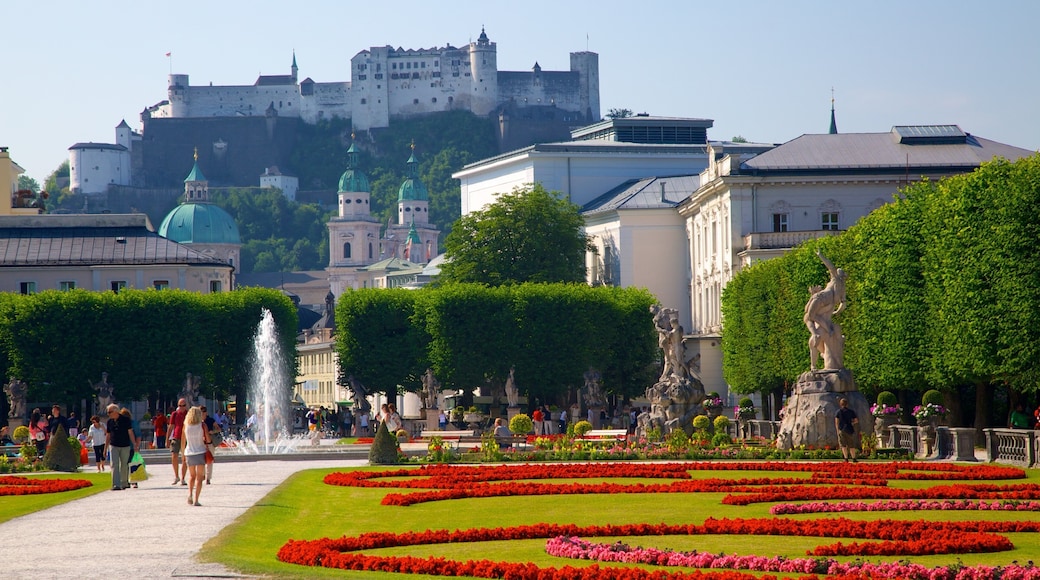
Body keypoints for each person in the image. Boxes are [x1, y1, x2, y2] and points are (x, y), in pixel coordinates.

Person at [804, 250, 848, 371]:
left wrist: (821, 255)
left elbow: (831, 266)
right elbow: (843, 304)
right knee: (813, 327)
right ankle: (816, 363)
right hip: (821, 301)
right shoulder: (840, 286)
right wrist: (836, 312)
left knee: (815, 330)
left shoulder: (837, 281)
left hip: (821, 300)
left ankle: (817, 362)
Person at [180, 406, 210, 506]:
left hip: (189, 452)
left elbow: (183, 440)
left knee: (192, 476)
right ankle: (196, 500)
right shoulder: (202, 425)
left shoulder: (186, 425)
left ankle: (190, 494)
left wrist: (183, 453)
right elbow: (208, 439)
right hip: (200, 451)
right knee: (199, 478)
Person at [105, 403, 138, 490]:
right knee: (114, 464)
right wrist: (105, 448)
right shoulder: (109, 422)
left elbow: (130, 432)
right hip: (113, 445)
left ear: (116, 411)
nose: (108, 414)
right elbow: (108, 435)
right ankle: (116, 484)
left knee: (124, 464)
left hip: (125, 445)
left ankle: (124, 482)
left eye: (110, 412)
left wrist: (134, 444)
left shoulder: (125, 420)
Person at [168, 399, 188, 486]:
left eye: (184, 405)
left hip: (186, 438)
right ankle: (176, 476)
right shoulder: (175, 414)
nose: (182, 407)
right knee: (174, 456)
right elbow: (171, 426)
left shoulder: (188, 414)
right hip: (176, 437)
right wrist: (167, 439)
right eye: (180, 406)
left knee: (185, 459)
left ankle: (183, 478)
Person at [834, 397, 860, 463]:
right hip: (849, 429)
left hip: (842, 429)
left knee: (843, 445)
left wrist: (837, 430)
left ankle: (846, 458)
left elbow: (836, 422)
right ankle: (854, 458)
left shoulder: (838, 412)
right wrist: (852, 423)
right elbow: (856, 420)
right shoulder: (851, 411)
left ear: (840, 404)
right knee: (851, 445)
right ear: (847, 404)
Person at [201, 406, 219, 484]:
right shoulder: (197, 422)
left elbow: (218, 429)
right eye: (201, 412)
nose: (202, 413)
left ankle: (208, 478)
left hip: (210, 443)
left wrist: (213, 432)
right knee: (201, 460)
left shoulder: (210, 420)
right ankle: (203, 475)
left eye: (203, 411)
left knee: (209, 461)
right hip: (200, 443)